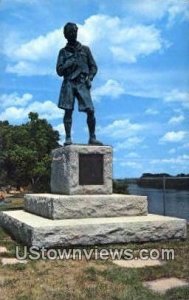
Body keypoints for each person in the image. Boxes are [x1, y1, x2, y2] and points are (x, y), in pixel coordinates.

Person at [56, 22, 103, 146]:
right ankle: (68, 137)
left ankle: (92, 137)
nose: (73, 34)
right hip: (69, 83)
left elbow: (93, 66)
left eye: (74, 31)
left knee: (90, 110)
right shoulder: (63, 52)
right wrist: (70, 62)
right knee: (68, 110)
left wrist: (90, 78)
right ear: (66, 35)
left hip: (82, 83)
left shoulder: (85, 50)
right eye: (70, 32)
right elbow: (59, 71)